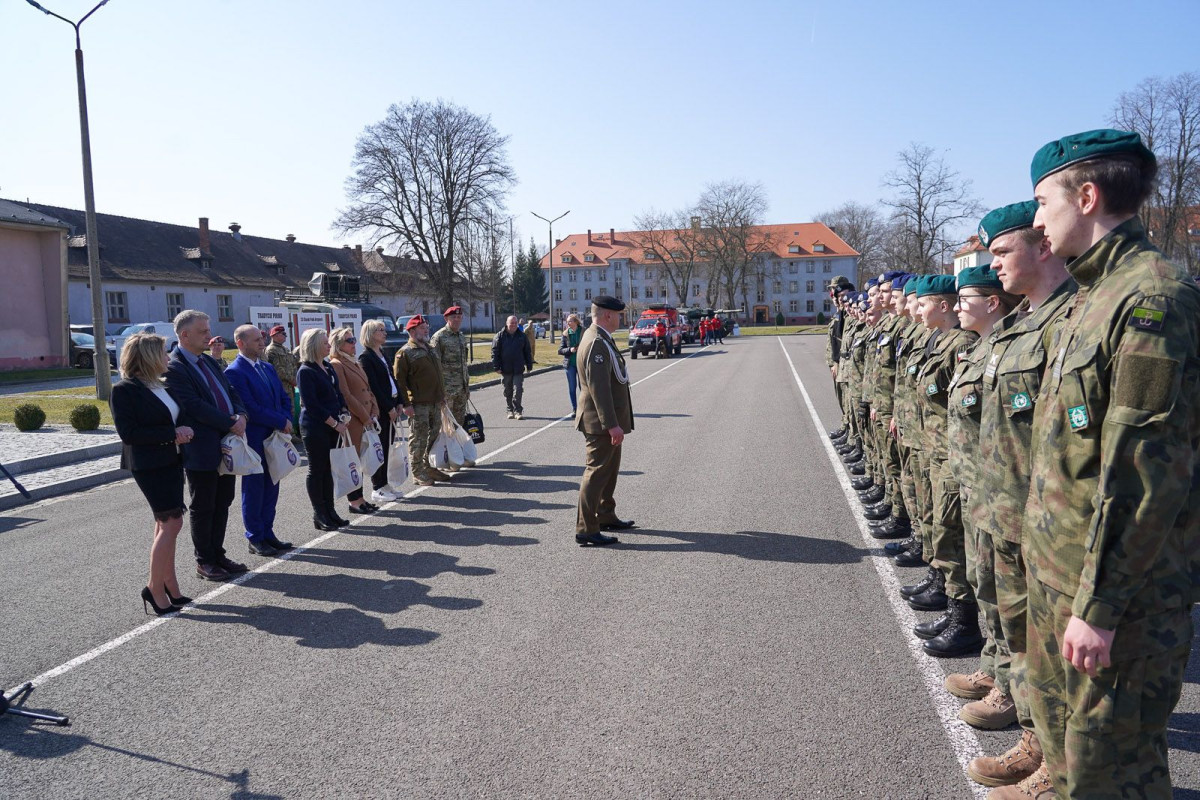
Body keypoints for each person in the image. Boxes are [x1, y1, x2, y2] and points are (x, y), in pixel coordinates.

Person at [1015, 129, 1200, 799]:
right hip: (1062, 577)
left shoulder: (1152, 300)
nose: (1036, 220)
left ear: (1086, 196)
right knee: (1070, 761)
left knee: (1112, 771)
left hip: (1116, 600)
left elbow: (1146, 473)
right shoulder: (1091, 298)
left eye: (1043, 202)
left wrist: (1100, 605)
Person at [956, 201, 1074, 791]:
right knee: (1021, 633)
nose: (993, 263)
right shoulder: (1022, 328)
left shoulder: (1071, 321)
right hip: (1003, 509)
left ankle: (1054, 754)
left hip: (1050, 526)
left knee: (1050, 651)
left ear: (1042, 246)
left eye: (1002, 251)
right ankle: (1037, 736)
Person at [110, 333, 194, 615]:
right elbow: (129, 434)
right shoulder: (124, 390)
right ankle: (154, 589)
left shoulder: (161, 386)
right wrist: (172, 435)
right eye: (162, 353)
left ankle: (169, 585)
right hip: (149, 465)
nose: (168, 358)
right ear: (148, 356)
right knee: (172, 524)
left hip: (171, 461)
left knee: (166, 525)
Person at [165, 310, 249, 582]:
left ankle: (217, 554)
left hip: (225, 442)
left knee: (223, 501)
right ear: (184, 335)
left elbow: (230, 391)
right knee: (204, 505)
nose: (209, 336)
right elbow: (193, 406)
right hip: (201, 447)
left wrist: (241, 415)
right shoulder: (175, 367)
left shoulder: (210, 362)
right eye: (202, 332)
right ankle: (204, 561)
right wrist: (229, 421)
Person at [223, 324, 295, 558]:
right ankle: (254, 536)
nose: (261, 342)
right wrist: (278, 420)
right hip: (254, 438)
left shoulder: (267, 367)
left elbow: (283, 397)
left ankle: (267, 531)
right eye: (255, 339)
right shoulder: (235, 371)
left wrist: (286, 417)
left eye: (262, 338)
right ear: (241, 343)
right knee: (254, 488)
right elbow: (249, 407)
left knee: (272, 484)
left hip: (274, 436)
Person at [575, 295, 636, 547]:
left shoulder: (601, 338)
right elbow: (599, 388)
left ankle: (605, 515)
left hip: (607, 420)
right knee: (597, 472)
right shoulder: (597, 343)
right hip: (600, 422)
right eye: (618, 315)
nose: (620, 318)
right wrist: (611, 424)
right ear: (607, 315)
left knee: (609, 472)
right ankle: (586, 528)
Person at [296, 328, 350, 530]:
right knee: (317, 470)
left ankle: (330, 510)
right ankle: (319, 514)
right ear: (313, 345)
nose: (329, 345)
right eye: (325, 343)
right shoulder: (306, 371)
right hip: (316, 427)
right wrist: (335, 423)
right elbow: (312, 405)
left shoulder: (327, 366)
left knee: (329, 470)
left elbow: (338, 394)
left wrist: (344, 411)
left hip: (333, 426)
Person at [394, 315, 450, 487]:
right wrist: (406, 405)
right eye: (421, 327)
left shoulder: (430, 348)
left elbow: (438, 374)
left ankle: (428, 467)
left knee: (433, 435)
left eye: (426, 327)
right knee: (418, 438)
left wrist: (442, 396)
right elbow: (399, 382)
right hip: (418, 404)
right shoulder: (405, 353)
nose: (426, 330)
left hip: (435, 401)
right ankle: (417, 472)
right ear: (411, 331)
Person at [329, 326, 379, 515]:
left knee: (360, 460)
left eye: (353, 340)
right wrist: (366, 417)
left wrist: (374, 410)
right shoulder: (337, 364)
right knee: (353, 461)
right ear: (338, 344)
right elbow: (346, 395)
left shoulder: (354, 362)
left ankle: (361, 498)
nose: (353, 344)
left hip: (366, 417)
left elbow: (368, 389)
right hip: (355, 421)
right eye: (349, 341)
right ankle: (354, 501)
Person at [358, 318, 402, 502]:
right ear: (370, 334)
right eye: (380, 330)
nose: (384, 333)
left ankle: (385, 483)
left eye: (384, 329)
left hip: (392, 405)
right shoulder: (366, 358)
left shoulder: (382, 353)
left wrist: (399, 401)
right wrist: (389, 407)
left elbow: (392, 379)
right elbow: (374, 387)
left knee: (387, 446)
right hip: (382, 409)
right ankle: (377, 486)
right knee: (380, 448)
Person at [430, 305, 475, 466]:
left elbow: (464, 364)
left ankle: (459, 455)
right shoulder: (439, 337)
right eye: (453, 317)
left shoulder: (461, 337)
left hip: (461, 388)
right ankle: (449, 460)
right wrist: (438, 391)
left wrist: (467, 387)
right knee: (446, 427)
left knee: (459, 424)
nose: (457, 320)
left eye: (459, 317)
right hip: (446, 390)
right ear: (446, 319)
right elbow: (434, 366)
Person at [265, 324, 302, 446]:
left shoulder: (285, 349)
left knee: (291, 409)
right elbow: (277, 369)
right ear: (274, 336)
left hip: (290, 386)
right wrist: (292, 379)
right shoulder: (271, 350)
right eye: (282, 334)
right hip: (281, 386)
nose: (285, 336)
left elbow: (292, 363)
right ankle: (284, 434)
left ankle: (290, 433)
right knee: (282, 409)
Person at [492, 315, 533, 420]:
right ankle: (510, 409)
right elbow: (495, 352)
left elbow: (527, 351)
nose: (513, 325)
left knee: (518, 390)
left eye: (515, 323)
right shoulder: (500, 336)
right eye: (511, 323)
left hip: (518, 368)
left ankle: (518, 410)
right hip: (505, 369)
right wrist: (496, 366)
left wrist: (529, 364)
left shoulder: (522, 336)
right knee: (508, 390)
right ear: (507, 323)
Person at [558, 313, 583, 414]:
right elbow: (560, 350)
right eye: (567, 321)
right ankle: (575, 408)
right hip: (570, 364)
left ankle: (584, 407)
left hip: (582, 363)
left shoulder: (583, 331)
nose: (568, 323)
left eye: (570, 321)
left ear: (576, 322)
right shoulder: (565, 334)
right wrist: (570, 349)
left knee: (584, 387)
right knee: (572, 387)